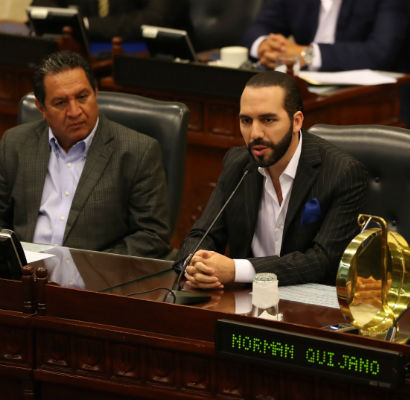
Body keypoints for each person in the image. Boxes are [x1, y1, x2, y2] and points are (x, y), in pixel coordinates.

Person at [176, 71, 368, 288]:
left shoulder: (342, 172)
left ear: (296, 122)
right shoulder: (238, 164)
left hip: (310, 307)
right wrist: (195, 263)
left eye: (268, 120)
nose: (255, 133)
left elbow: (322, 261)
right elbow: (202, 234)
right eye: (246, 121)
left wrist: (237, 270)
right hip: (245, 302)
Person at [0, 50, 171, 258]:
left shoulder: (137, 151)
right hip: (24, 277)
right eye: (60, 103)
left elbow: (152, 236)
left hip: (94, 281)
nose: (74, 112)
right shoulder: (16, 143)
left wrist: (89, 268)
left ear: (96, 93)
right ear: (41, 107)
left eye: (82, 97)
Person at [241, 0, 410, 73]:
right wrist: (266, 46)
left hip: (379, 100)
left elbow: (380, 53)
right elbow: (258, 28)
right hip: (306, 93)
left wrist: (307, 55)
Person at [29, 0, 186, 41]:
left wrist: (85, 25)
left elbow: (155, 18)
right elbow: (40, 4)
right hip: (83, 50)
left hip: (140, 54)